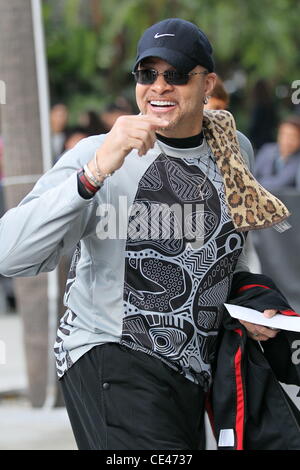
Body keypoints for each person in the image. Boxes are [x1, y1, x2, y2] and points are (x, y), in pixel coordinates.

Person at [0, 18, 294, 450]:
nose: (159, 87)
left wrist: (252, 306)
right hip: (109, 355)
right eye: (147, 74)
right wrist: (95, 172)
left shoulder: (235, 151)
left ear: (207, 82)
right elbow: (10, 253)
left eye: (175, 75)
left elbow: (226, 255)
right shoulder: (97, 152)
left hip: (193, 369)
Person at [255, 115, 300, 192]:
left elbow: (281, 182)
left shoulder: (297, 160)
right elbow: (252, 175)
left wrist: (259, 183)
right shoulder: (267, 150)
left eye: (292, 136)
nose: (287, 140)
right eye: (284, 135)